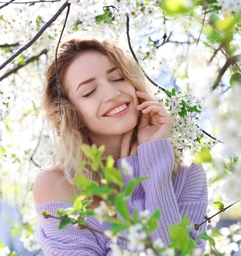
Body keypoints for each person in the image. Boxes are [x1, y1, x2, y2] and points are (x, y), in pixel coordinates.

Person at [33, 36, 208, 255]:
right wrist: (133, 189)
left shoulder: (188, 174)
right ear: (69, 112)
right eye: (89, 92)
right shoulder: (56, 185)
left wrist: (153, 167)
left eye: (117, 78)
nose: (113, 93)